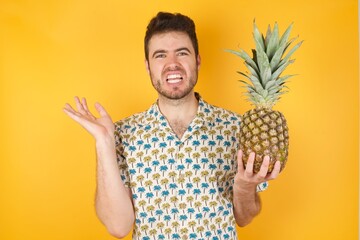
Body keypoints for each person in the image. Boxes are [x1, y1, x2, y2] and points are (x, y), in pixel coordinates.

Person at [63, 12, 281, 240]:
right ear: (148, 66)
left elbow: (244, 217)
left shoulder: (237, 128)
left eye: (182, 53)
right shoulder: (122, 134)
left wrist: (245, 187)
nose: (172, 64)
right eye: (160, 55)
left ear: (197, 60)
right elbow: (118, 227)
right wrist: (104, 143)